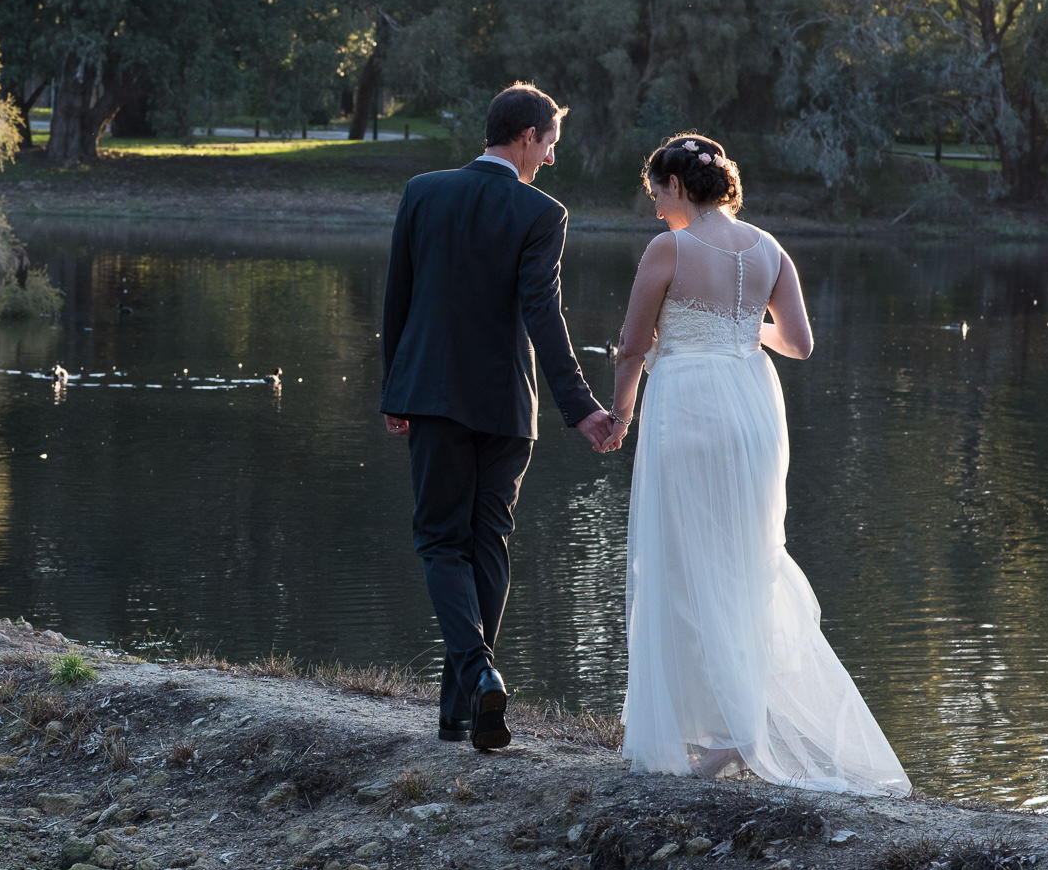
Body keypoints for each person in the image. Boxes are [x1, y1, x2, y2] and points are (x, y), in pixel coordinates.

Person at [607, 134, 909, 795]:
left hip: (687, 401)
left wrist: (620, 417)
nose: (656, 207)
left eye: (657, 192)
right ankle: (733, 729)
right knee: (745, 557)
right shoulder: (770, 249)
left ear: (680, 187)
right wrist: (742, 332)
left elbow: (632, 348)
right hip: (752, 406)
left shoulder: (671, 249)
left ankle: (717, 733)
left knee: (682, 559)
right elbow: (797, 342)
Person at [380, 84, 620, 752]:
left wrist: (392, 390)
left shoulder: (423, 192)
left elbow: (395, 298)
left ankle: (479, 674)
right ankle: (460, 709)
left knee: (439, 540)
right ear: (524, 136)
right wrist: (580, 408)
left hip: (430, 393)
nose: (550, 159)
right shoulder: (542, 213)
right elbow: (544, 313)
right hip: (509, 406)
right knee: (488, 541)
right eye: (549, 145)